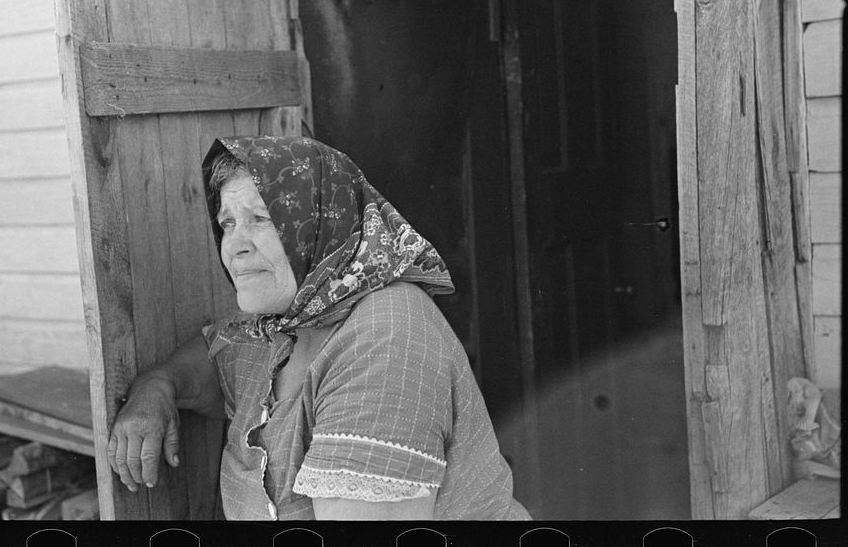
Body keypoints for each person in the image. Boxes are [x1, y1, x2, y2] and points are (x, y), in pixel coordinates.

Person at [107, 136, 531, 520]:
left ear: (324, 224)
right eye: (228, 223)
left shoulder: (387, 334)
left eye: (261, 218)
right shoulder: (282, 326)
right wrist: (156, 387)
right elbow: (212, 358)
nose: (235, 245)